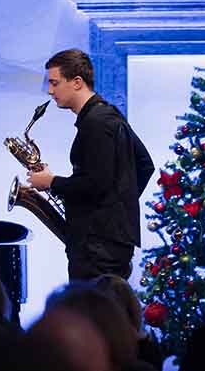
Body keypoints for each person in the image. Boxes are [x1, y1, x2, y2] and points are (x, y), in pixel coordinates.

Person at [27, 49, 154, 280]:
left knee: (91, 303)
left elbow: (95, 183)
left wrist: (51, 182)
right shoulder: (107, 115)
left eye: (55, 83)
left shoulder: (97, 123)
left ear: (77, 82)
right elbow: (144, 164)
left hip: (96, 246)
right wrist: (117, 206)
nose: (50, 91)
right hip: (105, 242)